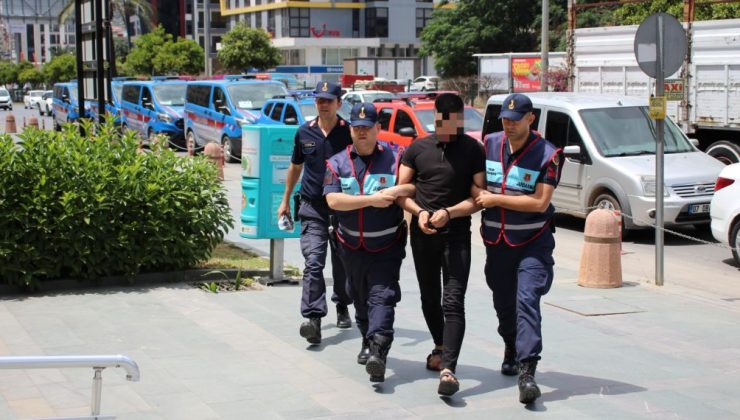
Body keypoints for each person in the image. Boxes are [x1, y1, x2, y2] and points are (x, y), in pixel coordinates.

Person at [471, 93, 563, 405]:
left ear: (530, 119)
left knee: (527, 300)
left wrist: (495, 199)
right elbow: (474, 183)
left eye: (515, 120)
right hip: (497, 243)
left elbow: (540, 202)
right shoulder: (490, 143)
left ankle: (527, 370)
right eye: (505, 120)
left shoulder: (548, 154)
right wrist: (480, 193)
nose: (508, 125)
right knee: (503, 302)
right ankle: (510, 345)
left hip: (532, 244)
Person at [397, 93, 486, 396]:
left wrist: (450, 213)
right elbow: (401, 192)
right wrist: (420, 213)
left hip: (457, 234)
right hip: (422, 234)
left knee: (453, 300)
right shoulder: (417, 148)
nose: (444, 128)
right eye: (439, 121)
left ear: (460, 120)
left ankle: (449, 368)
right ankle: (439, 345)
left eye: (451, 123)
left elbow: (479, 198)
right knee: (428, 297)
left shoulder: (473, 150)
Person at [324, 102, 414, 383]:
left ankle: (379, 349)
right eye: (356, 128)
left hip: (386, 245)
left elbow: (412, 186)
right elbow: (333, 200)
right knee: (358, 295)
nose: (362, 132)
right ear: (351, 130)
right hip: (349, 246)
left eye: (367, 127)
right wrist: (372, 200)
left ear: (377, 128)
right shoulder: (337, 162)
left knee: (382, 295)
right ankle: (367, 337)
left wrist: (395, 190)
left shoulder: (396, 157)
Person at [277, 81, 353, 346]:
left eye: (328, 100)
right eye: (319, 100)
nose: (323, 104)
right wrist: (285, 199)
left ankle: (343, 302)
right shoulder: (304, 132)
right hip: (312, 206)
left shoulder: (350, 133)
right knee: (313, 262)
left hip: (343, 207)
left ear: (338, 104)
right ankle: (313, 319)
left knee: (344, 264)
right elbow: (295, 167)